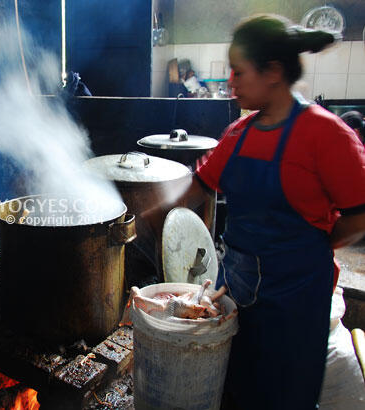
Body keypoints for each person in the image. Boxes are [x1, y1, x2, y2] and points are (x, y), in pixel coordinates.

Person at [141, 14, 365, 410]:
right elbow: (195, 190)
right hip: (237, 298)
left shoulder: (325, 134)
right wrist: (145, 216)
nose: (231, 82)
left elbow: (360, 214)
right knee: (234, 392)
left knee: (284, 399)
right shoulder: (238, 136)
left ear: (273, 72)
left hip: (295, 309)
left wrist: (311, 248)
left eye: (239, 71)